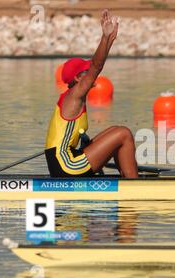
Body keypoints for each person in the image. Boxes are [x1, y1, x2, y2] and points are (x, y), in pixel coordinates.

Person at [45, 10, 138, 178]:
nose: (91, 74)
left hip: (62, 160)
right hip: (66, 165)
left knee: (116, 130)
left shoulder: (72, 96)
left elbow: (95, 66)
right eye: (86, 72)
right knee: (123, 133)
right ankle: (135, 187)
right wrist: (105, 37)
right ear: (77, 78)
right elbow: (97, 66)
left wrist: (110, 40)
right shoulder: (75, 94)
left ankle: (129, 179)